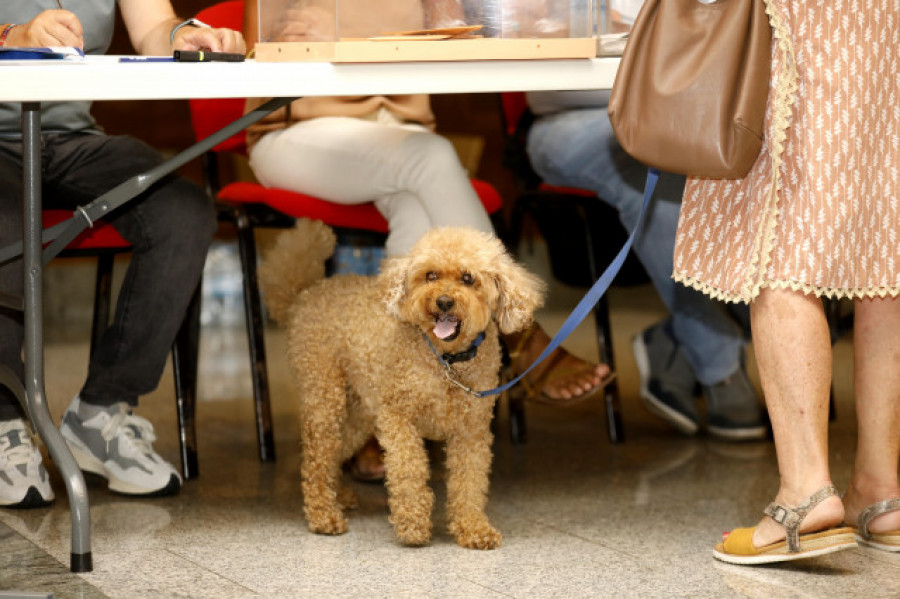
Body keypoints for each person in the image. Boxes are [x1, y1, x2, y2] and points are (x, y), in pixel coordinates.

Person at [243, 0, 611, 479]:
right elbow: (268, 50)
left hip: (397, 141)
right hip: (296, 132)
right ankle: (519, 333)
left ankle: (383, 411)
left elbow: (471, 31)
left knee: (420, 204)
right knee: (431, 159)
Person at [671, 2, 899, 563]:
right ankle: (881, 492)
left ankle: (806, 494)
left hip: (803, 26)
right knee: (887, 243)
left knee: (780, 244)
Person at [0, 2, 246, 508]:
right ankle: (3, 418)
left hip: (70, 140)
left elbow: (154, 26)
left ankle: (100, 410)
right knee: (6, 226)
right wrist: (13, 34)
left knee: (181, 212)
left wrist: (183, 36)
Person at [523, 89, 768, 441]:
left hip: (708, 108)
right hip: (577, 116)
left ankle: (675, 340)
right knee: (653, 173)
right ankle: (719, 364)